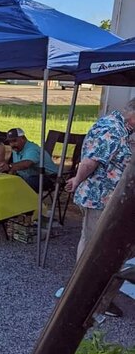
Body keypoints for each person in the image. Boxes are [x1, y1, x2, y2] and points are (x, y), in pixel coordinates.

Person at [65, 100, 135, 261]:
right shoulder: (112, 129)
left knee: (100, 241)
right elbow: (91, 161)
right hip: (98, 196)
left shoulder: (120, 128)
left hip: (107, 197)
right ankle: (83, 276)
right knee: (93, 242)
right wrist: (77, 180)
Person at [0, 127, 58, 191]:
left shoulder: (32, 149)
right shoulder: (16, 149)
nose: (12, 144)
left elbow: (26, 164)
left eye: (14, 141)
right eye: (10, 142)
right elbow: (15, 168)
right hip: (31, 177)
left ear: (23, 138)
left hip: (49, 178)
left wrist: (9, 166)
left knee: (24, 184)